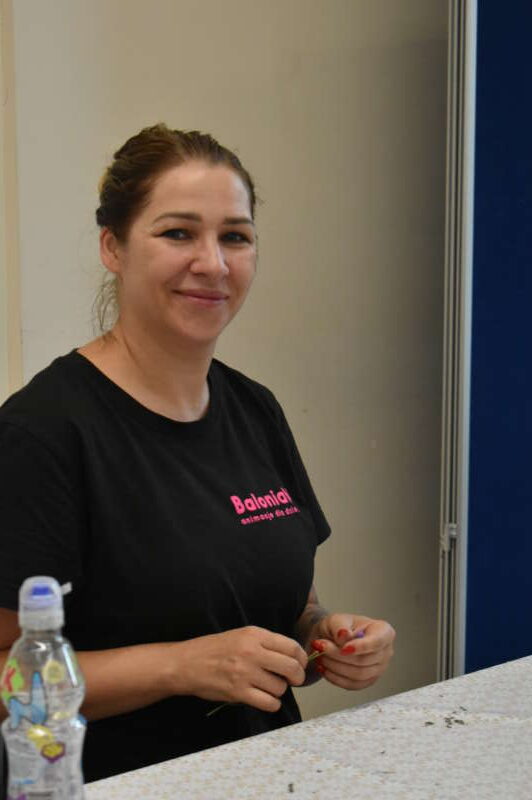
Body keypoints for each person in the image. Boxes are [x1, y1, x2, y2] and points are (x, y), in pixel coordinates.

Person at [0, 124, 395, 783]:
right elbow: (6, 680)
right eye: (178, 233)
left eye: (235, 236)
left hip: (265, 773)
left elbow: (290, 608)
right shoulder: (41, 434)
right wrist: (181, 666)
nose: (213, 263)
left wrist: (328, 637)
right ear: (113, 246)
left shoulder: (255, 410)